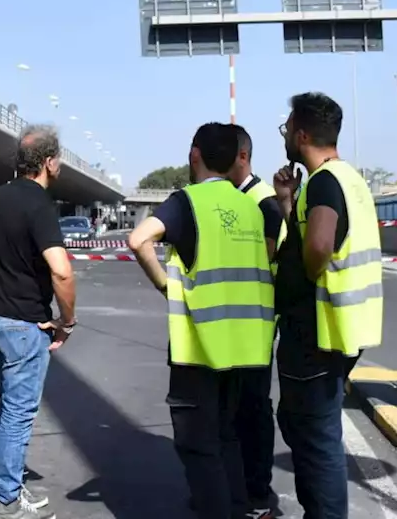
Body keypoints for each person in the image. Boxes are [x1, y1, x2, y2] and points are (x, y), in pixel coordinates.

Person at [127, 123, 275, 519]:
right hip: (246, 346)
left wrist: (164, 285)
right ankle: (239, 508)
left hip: (199, 347)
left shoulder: (187, 201)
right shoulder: (253, 206)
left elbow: (138, 239)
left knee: (198, 444)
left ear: (195, 156)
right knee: (228, 436)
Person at [0, 125, 76, 519]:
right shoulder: (40, 205)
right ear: (48, 162)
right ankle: (7, 502)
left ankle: (5, 485)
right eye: (59, 158)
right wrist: (67, 321)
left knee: (9, 406)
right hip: (25, 325)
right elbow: (61, 272)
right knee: (19, 412)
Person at [272, 93, 383, 519]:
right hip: (342, 329)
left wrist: (304, 269)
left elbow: (318, 245)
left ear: (301, 135)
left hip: (317, 330)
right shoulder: (348, 179)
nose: (284, 136)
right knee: (302, 424)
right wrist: (287, 202)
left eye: (286, 129)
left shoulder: (323, 181)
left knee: (316, 437)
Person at [225, 124, 286, 519]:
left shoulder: (263, 201)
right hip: (237, 321)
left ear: (243, 157)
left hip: (258, 321)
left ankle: (257, 493)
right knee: (233, 408)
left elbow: (264, 261)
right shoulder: (235, 197)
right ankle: (237, 489)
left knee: (253, 408)